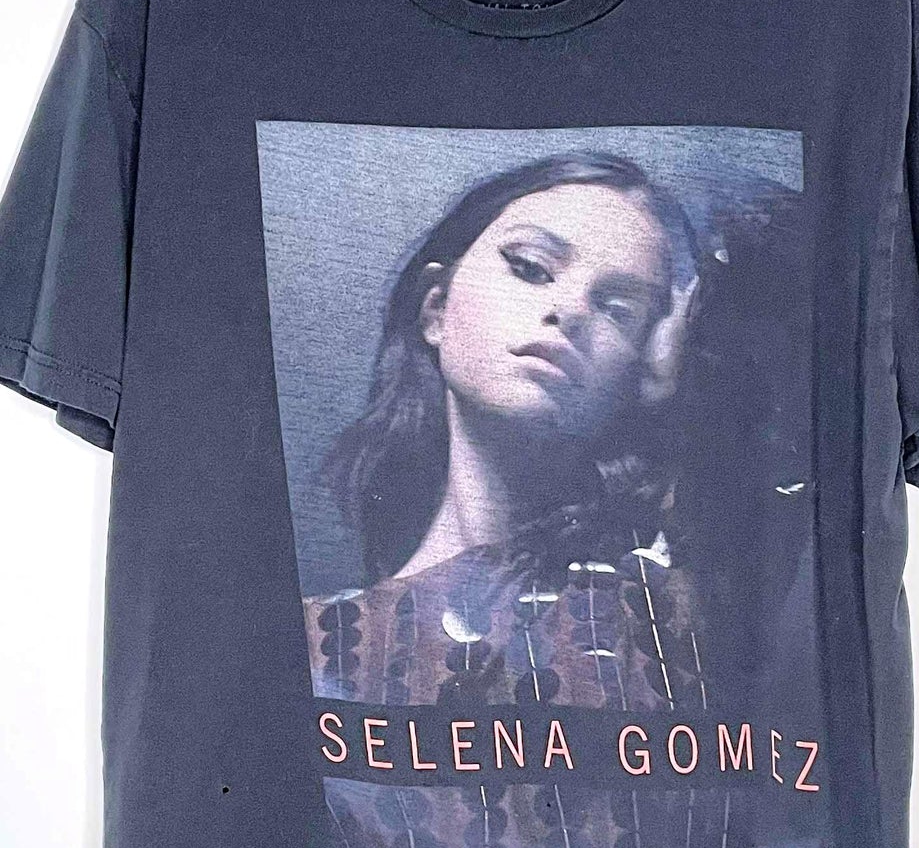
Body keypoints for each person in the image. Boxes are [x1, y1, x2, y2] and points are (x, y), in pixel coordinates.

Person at [302, 152, 814, 712]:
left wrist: (683, 363)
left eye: (618, 309)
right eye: (529, 267)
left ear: (648, 364)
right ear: (437, 310)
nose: (568, 309)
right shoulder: (319, 647)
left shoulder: (686, 599)